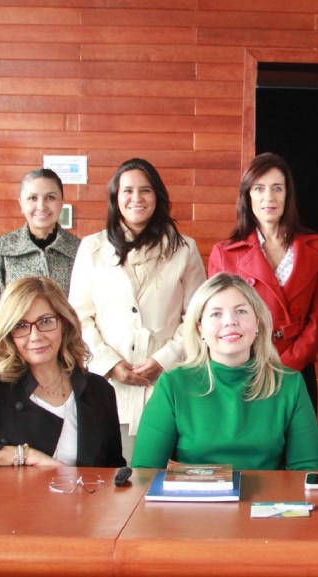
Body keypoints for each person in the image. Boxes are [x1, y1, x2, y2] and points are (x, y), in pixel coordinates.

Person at [69, 158, 206, 463]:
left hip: (168, 381)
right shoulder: (92, 248)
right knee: (113, 479)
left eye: (145, 190)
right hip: (107, 384)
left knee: (163, 476)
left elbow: (197, 318)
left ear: (157, 196)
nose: (136, 198)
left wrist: (163, 359)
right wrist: (109, 364)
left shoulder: (184, 249)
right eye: (127, 191)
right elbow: (78, 317)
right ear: (116, 199)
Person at [132, 273, 318, 470]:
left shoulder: (290, 384)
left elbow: (305, 471)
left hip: (267, 500)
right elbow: (144, 472)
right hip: (192, 500)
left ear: (257, 322)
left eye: (240, 311)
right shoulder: (172, 385)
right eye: (216, 314)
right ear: (200, 329)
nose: (230, 321)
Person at [0, 277, 124, 467]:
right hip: (6, 498)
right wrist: (25, 455)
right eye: (21, 326)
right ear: (8, 333)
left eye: (46, 321)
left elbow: (113, 471)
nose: (35, 336)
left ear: (64, 323)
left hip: (83, 498)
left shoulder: (99, 391)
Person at [208, 153, 318, 412]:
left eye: (277, 188)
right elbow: (218, 319)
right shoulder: (225, 253)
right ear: (248, 195)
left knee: (298, 447)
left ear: (288, 194)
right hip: (245, 370)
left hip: (298, 368)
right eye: (259, 189)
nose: (269, 197)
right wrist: (255, 365)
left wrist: (287, 365)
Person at [0, 168, 80, 321]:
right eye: (33, 198)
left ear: (61, 203)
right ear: (21, 204)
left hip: (67, 342)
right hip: (16, 342)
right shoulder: (2, 248)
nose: (41, 206)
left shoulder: (79, 249)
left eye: (50, 198)